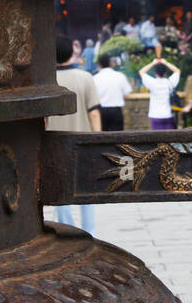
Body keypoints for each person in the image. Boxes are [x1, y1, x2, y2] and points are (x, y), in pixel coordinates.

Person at [45, 35, 101, 235]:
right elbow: (93, 112)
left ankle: (67, 230)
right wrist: (98, 140)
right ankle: (89, 232)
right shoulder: (85, 77)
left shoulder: (46, 81)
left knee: (59, 188)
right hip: (83, 142)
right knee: (86, 188)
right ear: (71, 52)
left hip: (54, 142)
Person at [139, 50, 180, 130]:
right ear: (165, 73)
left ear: (155, 73)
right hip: (168, 115)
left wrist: (153, 63)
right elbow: (177, 71)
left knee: (157, 140)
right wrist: (166, 62)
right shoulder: (170, 82)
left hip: (155, 115)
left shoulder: (152, 82)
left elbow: (141, 71)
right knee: (169, 140)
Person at [94, 52, 133, 131]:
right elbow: (127, 94)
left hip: (101, 111)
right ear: (110, 63)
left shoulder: (94, 78)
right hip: (116, 111)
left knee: (101, 138)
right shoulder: (120, 76)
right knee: (117, 138)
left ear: (99, 65)